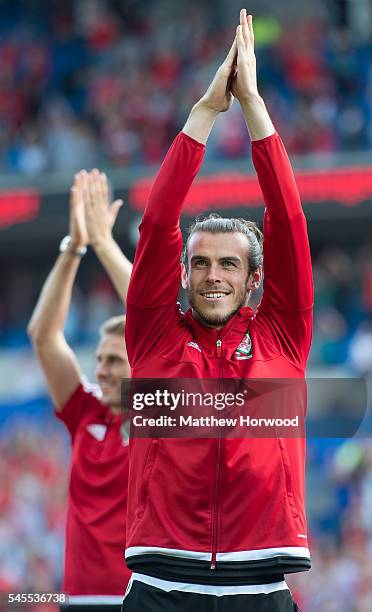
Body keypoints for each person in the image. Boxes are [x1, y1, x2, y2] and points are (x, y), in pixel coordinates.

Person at [123, 10, 313, 612]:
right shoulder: (153, 338)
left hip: (262, 589)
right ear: (183, 272)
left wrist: (254, 109)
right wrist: (204, 115)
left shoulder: (283, 336)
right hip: (158, 588)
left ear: (254, 278)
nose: (213, 276)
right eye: (201, 263)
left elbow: (286, 222)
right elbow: (157, 226)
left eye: (229, 265)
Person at [28, 170, 132, 612]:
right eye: (99, 360)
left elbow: (160, 320)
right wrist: (74, 249)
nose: (101, 370)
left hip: (142, 601)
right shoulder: (85, 413)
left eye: (114, 360)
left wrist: (106, 244)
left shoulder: (168, 418)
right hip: (77, 600)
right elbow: (44, 336)